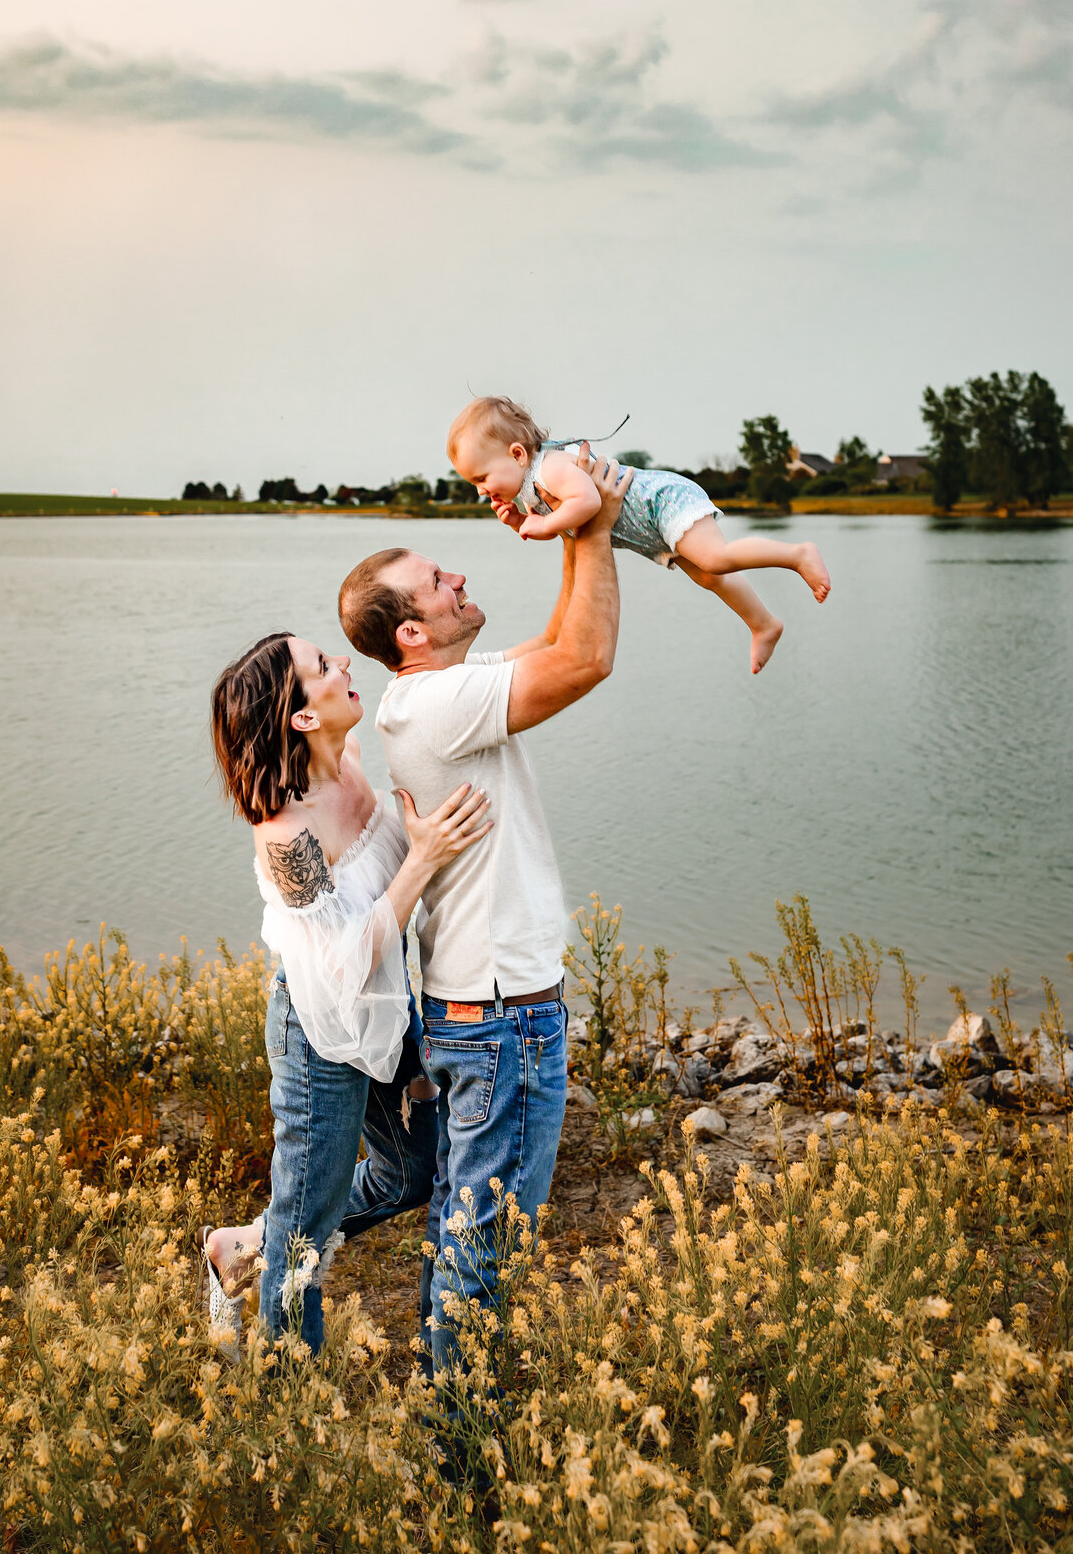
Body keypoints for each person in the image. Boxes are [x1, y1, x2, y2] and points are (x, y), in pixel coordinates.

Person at [337, 447, 631, 1378]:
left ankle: (445, 1403)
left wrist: (575, 519)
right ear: (412, 632)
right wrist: (597, 524)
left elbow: (555, 641)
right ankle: (458, 1434)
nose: (458, 577)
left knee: (463, 1219)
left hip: (479, 1008)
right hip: (504, 1017)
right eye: (437, 582)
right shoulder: (441, 705)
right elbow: (588, 659)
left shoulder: (432, 694)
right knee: (486, 1239)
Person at [204, 630, 493, 1356]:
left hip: (384, 1011)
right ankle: (289, 1390)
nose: (344, 664)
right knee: (304, 1229)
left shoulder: (357, 758)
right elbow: (342, 963)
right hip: (317, 1032)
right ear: (303, 715)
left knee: (412, 1172)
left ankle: (244, 1245)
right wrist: (424, 857)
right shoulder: (285, 832)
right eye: (323, 666)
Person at [447, 394, 832, 675]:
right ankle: (763, 623)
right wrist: (521, 522)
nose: (480, 490)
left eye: (482, 477)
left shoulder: (552, 468)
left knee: (716, 558)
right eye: (473, 483)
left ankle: (797, 554)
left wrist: (544, 523)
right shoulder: (529, 491)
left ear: (517, 454)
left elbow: (588, 502)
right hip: (651, 529)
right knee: (708, 575)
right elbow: (565, 527)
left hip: (662, 503)